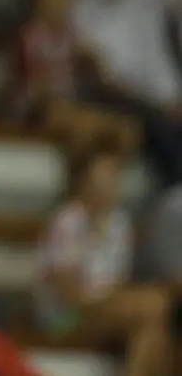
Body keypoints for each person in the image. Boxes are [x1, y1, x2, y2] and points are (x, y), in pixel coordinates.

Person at [37, 151, 173, 376]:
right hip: (66, 314)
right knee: (156, 309)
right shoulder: (67, 221)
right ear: (83, 184)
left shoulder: (119, 223)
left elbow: (119, 278)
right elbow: (66, 289)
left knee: (156, 323)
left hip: (107, 304)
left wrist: (116, 298)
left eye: (113, 180)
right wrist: (108, 300)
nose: (108, 187)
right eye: (101, 181)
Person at [71, 0, 182, 184]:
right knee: (164, 131)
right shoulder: (83, 8)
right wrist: (158, 106)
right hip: (130, 103)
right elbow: (103, 80)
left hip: (170, 96)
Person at [9, 0, 139, 157]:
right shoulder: (30, 37)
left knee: (127, 129)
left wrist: (93, 64)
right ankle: (81, 177)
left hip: (71, 105)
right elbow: (33, 88)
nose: (64, 1)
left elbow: (98, 76)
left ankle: (105, 175)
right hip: (36, 109)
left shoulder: (72, 37)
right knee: (82, 126)